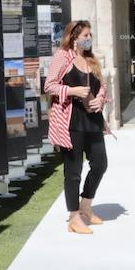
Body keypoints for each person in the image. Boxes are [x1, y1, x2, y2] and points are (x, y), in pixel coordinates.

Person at [45, 19, 112, 235]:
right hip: (70, 121)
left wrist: (100, 99)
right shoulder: (62, 57)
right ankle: (74, 217)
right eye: (85, 35)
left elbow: (101, 86)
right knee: (73, 171)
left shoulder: (91, 59)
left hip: (93, 119)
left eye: (90, 35)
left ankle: (85, 206)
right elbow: (49, 85)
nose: (89, 39)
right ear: (74, 37)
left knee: (100, 163)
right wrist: (73, 92)